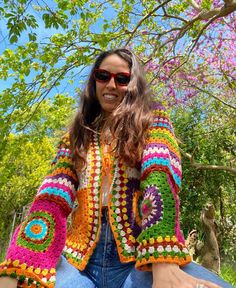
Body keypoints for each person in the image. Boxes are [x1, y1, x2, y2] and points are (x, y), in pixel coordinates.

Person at [0, 48, 233, 288]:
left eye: (122, 79)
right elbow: (52, 199)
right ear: (94, 81)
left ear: (133, 84)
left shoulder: (154, 119)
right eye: (103, 76)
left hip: (140, 256)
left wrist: (163, 260)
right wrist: (19, 262)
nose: (111, 84)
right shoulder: (75, 136)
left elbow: (159, 177)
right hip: (78, 260)